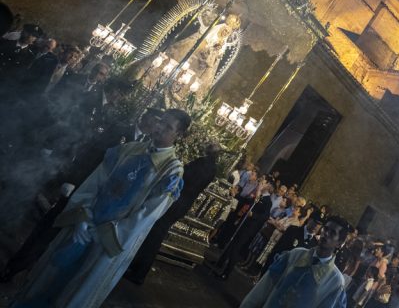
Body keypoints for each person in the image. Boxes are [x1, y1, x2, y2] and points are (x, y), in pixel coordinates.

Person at [10, 109, 190, 308]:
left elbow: (147, 215)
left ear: (179, 135)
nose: (159, 128)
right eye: (161, 121)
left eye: (168, 127)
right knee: (48, 279)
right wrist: (82, 216)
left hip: (108, 241)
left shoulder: (172, 171)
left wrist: (105, 233)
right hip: (83, 227)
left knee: (75, 291)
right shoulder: (128, 149)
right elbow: (95, 183)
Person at [125, 141, 220, 284]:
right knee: (156, 235)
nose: (204, 146)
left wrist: (181, 168)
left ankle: (139, 271)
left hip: (177, 201)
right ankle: (138, 268)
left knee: (154, 235)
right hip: (184, 204)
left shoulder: (202, 163)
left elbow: (185, 175)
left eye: (208, 146)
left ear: (210, 150)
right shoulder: (213, 169)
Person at [239, 215, 351, 308]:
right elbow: (265, 286)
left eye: (332, 233)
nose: (326, 234)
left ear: (339, 243)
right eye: (326, 229)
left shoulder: (335, 281)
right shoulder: (295, 254)